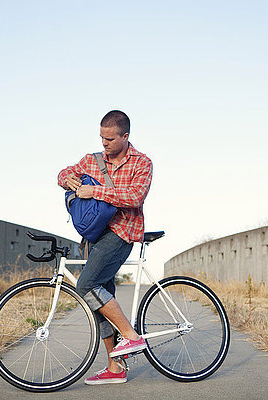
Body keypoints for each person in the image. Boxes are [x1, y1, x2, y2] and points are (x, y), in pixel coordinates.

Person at [57, 110, 153, 385]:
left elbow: (135, 197)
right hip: (95, 237)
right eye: (101, 138)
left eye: (110, 139)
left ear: (125, 136)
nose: (104, 143)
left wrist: (94, 191)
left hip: (122, 233)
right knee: (99, 300)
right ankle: (115, 368)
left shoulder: (142, 162)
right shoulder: (91, 160)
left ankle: (132, 337)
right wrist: (69, 180)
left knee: (86, 286)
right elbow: (62, 173)